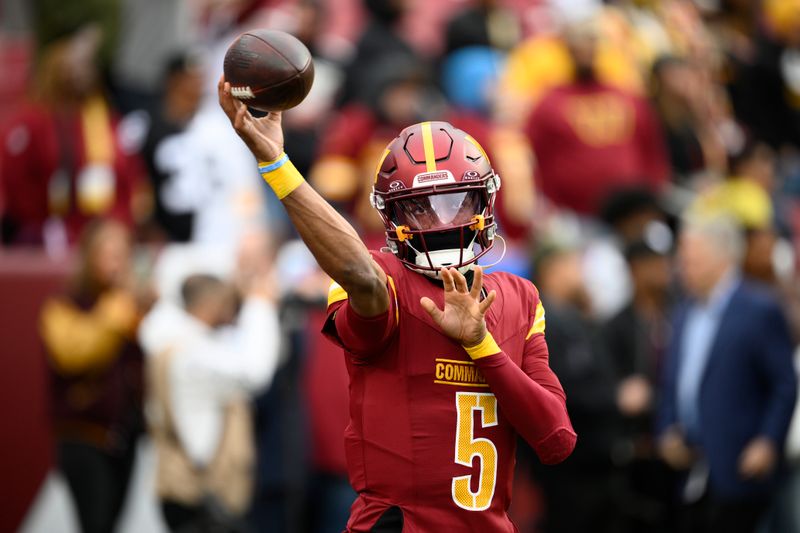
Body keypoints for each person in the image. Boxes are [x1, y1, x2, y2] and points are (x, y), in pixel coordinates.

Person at [218, 80, 576, 530]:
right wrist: (277, 163)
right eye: (420, 209)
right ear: (391, 218)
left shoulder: (520, 297)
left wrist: (482, 346)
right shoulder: (381, 277)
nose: (443, 222)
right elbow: (361, 276)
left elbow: (556, 439)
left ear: (485, 201)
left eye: (456, 203)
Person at [658, 214, 797, 533]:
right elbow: (671, 382)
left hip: (741, 465)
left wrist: (767, 441)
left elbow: (784, 384)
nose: (682, 265)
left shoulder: (758, 310)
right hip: (690, 465)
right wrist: (666, 428)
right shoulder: (683, 312)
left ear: (721, 256)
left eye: (690, 256)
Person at [138, 259, 281, 531]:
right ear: (209, 306)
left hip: (181, 487)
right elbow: (254, 373)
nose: (230, 317)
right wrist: (260, 305)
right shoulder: (192, 355)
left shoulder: (167, 338)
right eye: (226, 307)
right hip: (198, 492)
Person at [38, 219, 145, 533]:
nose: (117, 263)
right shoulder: (64, 305)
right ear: (88, 257)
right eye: (108, 254)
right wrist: (116, 311)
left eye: (123, 254)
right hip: (83, 434)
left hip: (125, 434)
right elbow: (73, 355)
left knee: (114, 522)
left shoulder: (133, 305)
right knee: (94, 523)